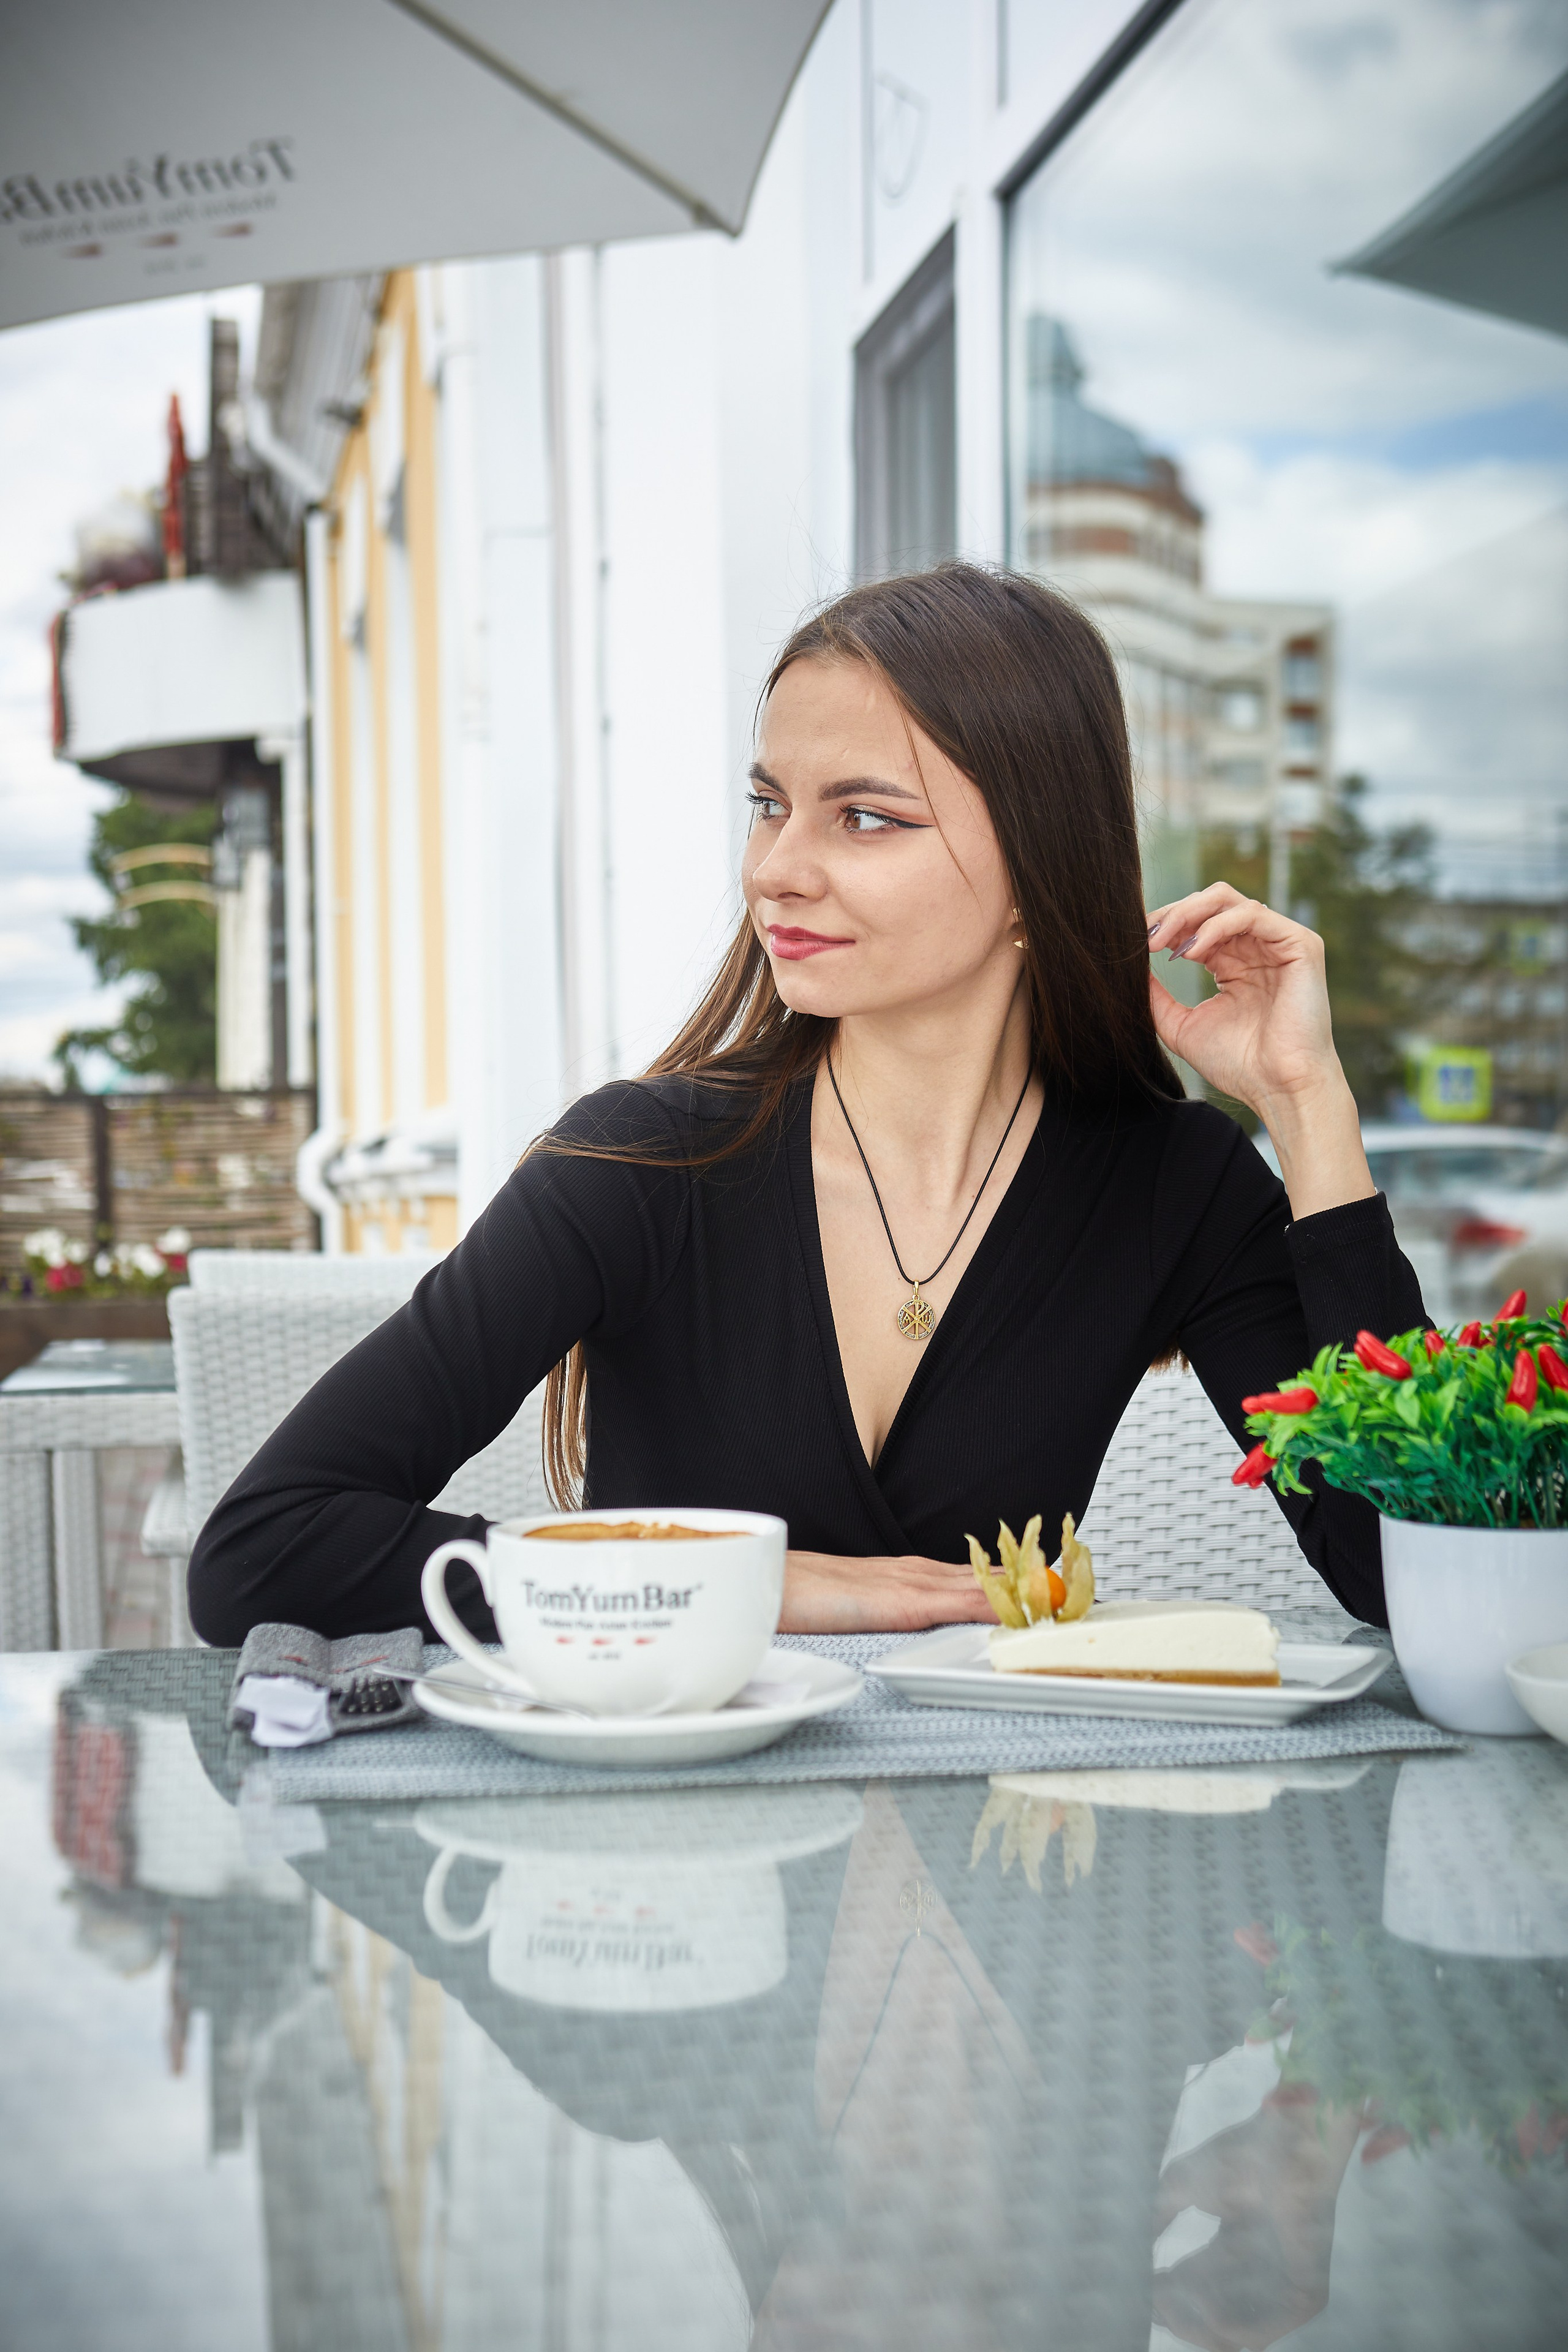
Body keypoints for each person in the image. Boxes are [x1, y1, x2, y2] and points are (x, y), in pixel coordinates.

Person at [187, 564, 1420, 1646]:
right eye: (770, 801)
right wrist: (746, 1584)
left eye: (863, 817)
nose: (776, 868)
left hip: (988, 1876)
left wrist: (1307, 1109)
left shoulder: (1171, 1187)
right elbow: (263, 1551)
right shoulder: (636, 1167)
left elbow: (1401, 1575)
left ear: (1031, 872)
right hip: (667, 1872)